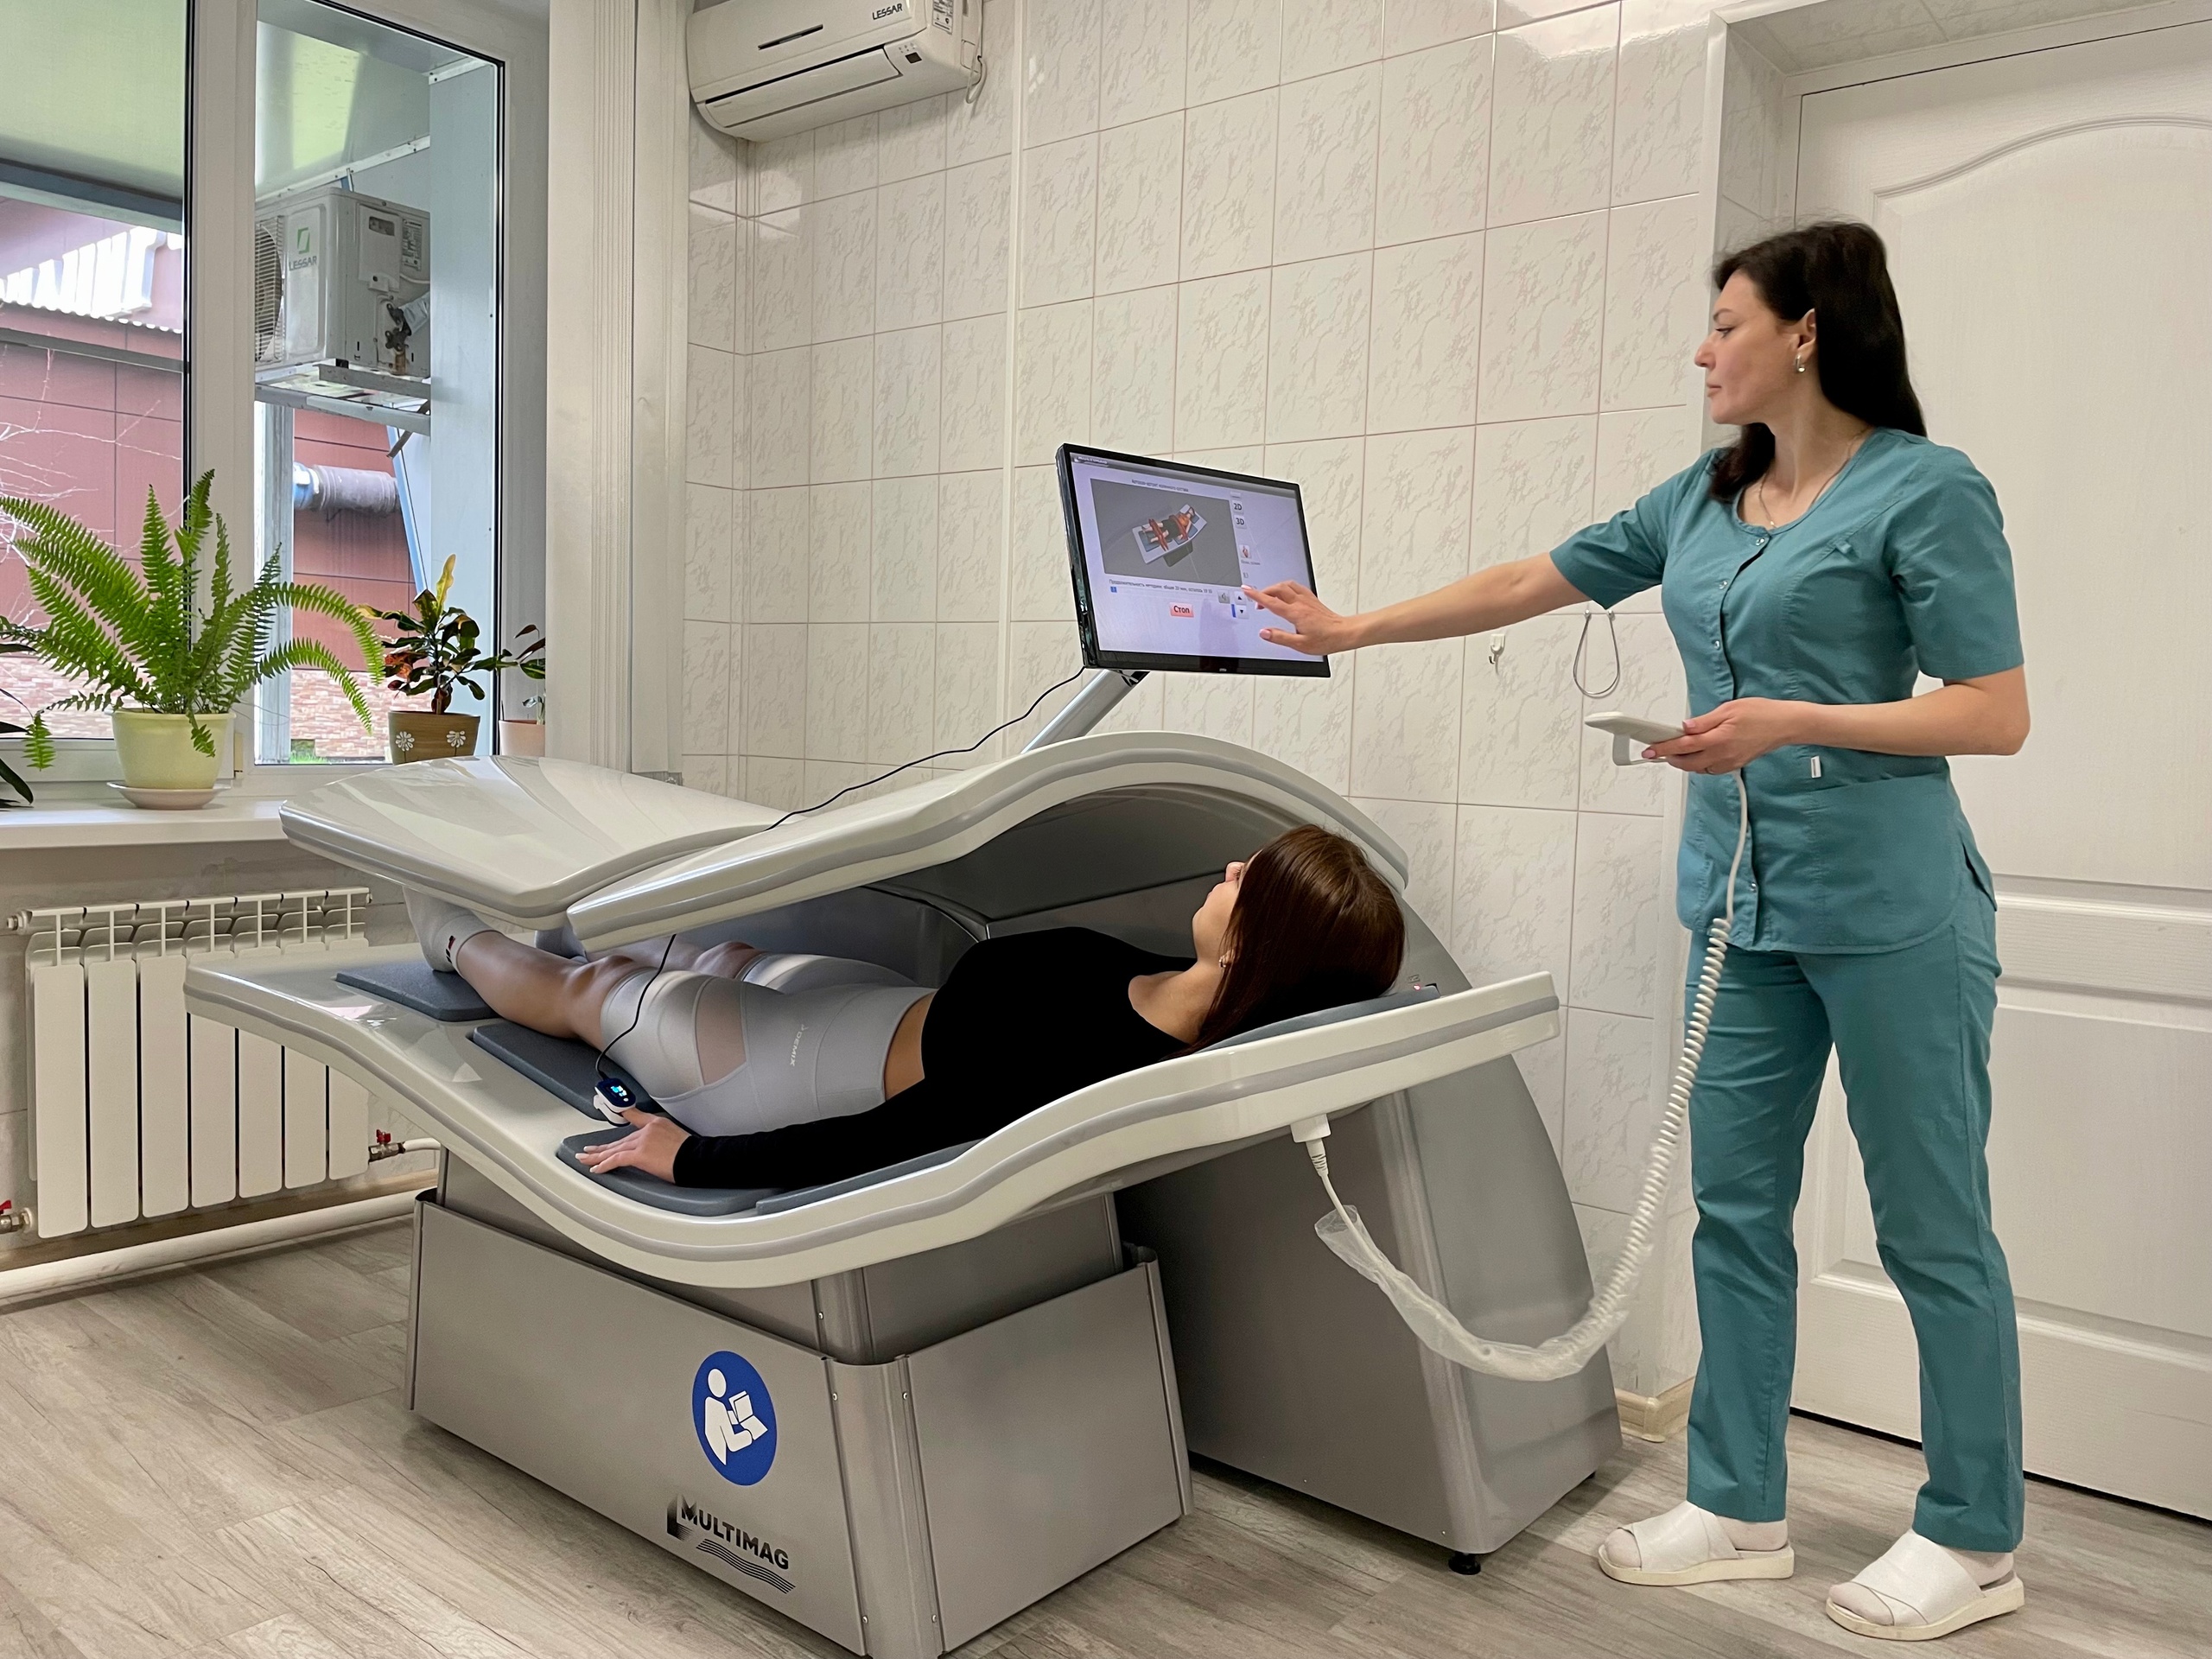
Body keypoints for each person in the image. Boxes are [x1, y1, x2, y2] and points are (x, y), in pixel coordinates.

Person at [1243, 222, 2029, 1643]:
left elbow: (1994, 711)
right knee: (1735, 1210)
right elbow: (1530, 579)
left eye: (1726, 322)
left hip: (1892, 909)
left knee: (1932, 1226)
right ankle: (1736, 1505)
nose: (1701, 350)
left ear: (1807, 332)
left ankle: (1975, 1538)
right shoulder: (1701, 499)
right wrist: (1353, 630)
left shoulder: (1927, 489)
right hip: (1740, 906)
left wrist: (1791, 720)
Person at [406, 823, 1404, 1192]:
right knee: (700, 953)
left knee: (592, 993)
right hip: (861, 1008)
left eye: (1250, 880)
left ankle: (442, 927)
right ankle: (524, 918)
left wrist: (692, 1158)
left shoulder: (1088, 1058)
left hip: (790, 1076)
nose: (1229, 868)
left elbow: (888, 1141)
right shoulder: (1175, 984)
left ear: (1252, 946)